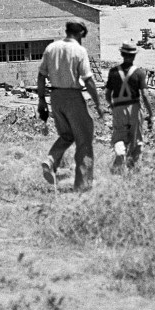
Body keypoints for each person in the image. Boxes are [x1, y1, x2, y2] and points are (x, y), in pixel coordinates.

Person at [37, 19, 105, 191]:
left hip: (55, 96)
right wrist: (98, 104)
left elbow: (41, 76)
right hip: (72, 96)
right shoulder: (79, 50)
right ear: (80, 33)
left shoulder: (51, 48)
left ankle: (51, 160)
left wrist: (41, 100)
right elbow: (88, 79)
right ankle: (83, 185)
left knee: (67, 135)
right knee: (84, 140)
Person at [105, 41, 153, 173]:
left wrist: (112, 106)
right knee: (136, 139)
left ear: (121, 54)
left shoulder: (113, 72)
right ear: (134, 56)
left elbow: (108, 94)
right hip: (134, 108)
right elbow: (145, 95)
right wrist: (150, 113)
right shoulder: (139, 73)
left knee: (119, 137)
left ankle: (120, 153)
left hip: (118, 108)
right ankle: (133, 170)